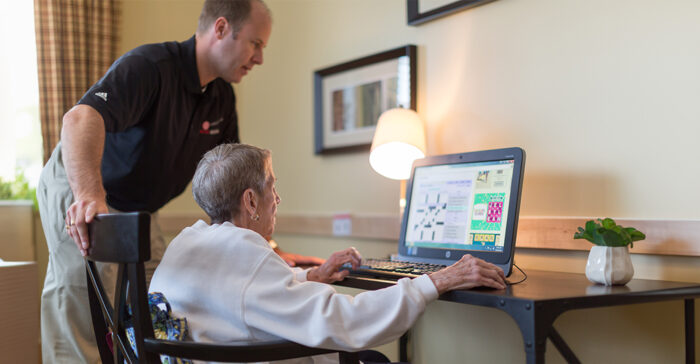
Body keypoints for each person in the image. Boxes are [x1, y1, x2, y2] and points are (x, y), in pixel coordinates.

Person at [37, 1, 319, 363]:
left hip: (140, 204)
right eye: (256, 43)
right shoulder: (150, 67)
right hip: (82, 181)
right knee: (83, 302)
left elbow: (232, 188)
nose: (260, 58)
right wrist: (89, 197)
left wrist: (269, 249)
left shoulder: (220, 97)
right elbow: (79, 119)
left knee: (161, 300)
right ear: (220, 29)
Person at [149, 143, 507, 364]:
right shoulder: (245, 251)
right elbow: (347, 323)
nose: (278, 199)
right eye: (272, 186)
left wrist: (310, 276)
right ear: (250, 200)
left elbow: (240, 294)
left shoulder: (189, 242)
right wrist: (438, 280)